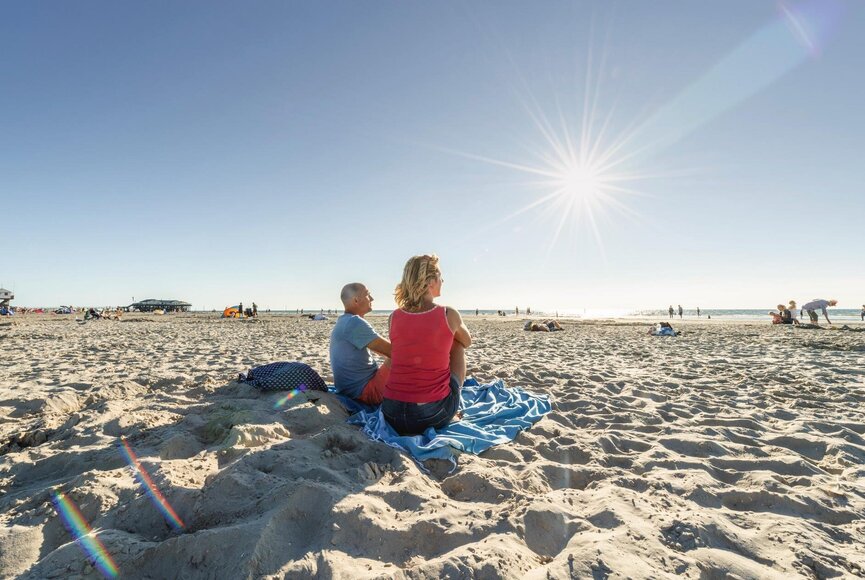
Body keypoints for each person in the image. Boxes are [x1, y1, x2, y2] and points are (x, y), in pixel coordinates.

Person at [381, 254, 472, 435]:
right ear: (430, 281)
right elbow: (467, 341)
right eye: (439, 276)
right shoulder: (448, 313)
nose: (443, 280)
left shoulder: (394, 317)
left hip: (391, 412)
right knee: (457, 343)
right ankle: (451, 406)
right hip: (429, 414)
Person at [329, 283, 392, 404]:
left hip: (351, 390)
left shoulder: (345, 321)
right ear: (356, 300)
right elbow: (393, 352)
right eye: (368, 294)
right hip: (364, 392)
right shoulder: (354, 322)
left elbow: (381, 351)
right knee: (403, 353)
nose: (372, 298)